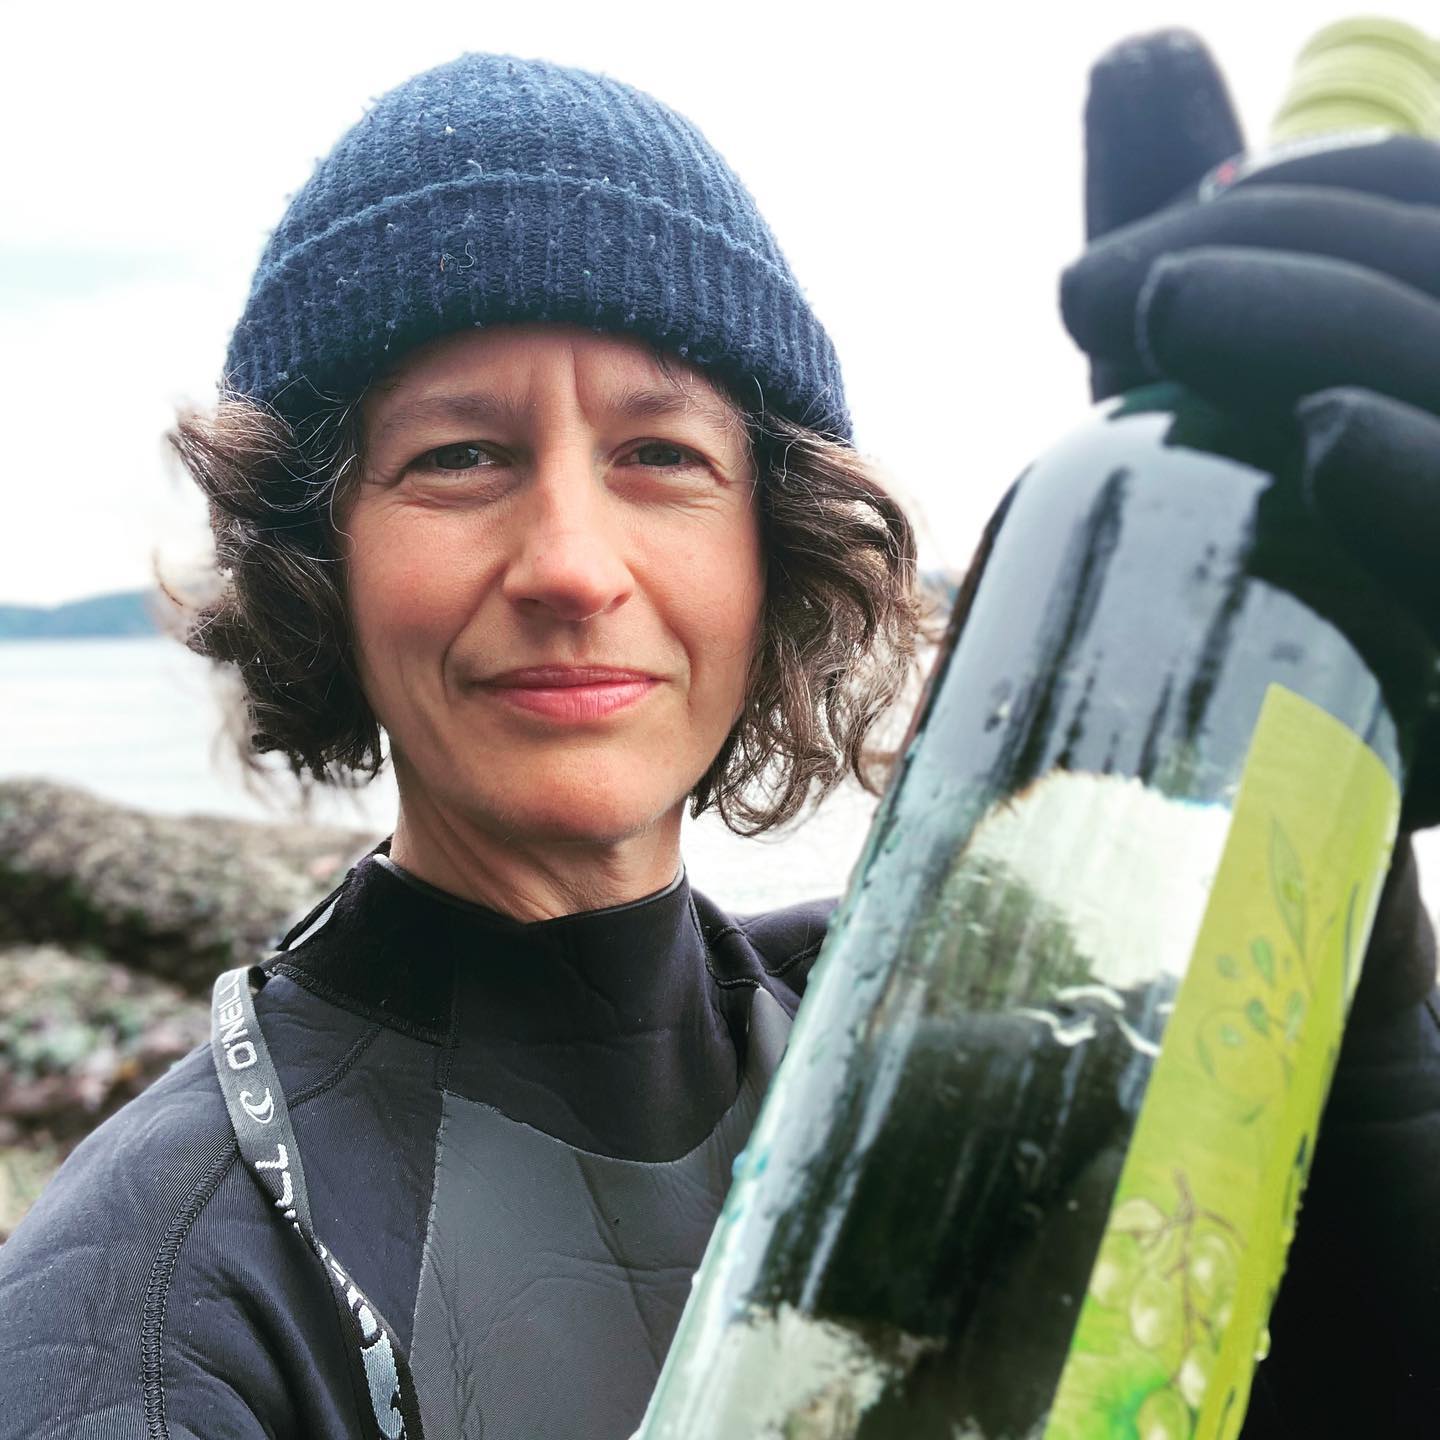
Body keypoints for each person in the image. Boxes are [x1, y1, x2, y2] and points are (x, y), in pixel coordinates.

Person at [1, 29, 1439, 1440]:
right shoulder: (154, 1313)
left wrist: (1340, 938)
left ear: (774, 554)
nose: (571, 561)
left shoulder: (953, 1047)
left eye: (662, 456)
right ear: (326, 563)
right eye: (459, 456)